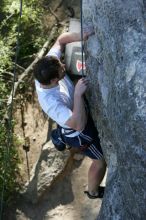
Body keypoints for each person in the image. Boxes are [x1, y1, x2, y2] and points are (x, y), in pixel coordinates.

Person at [33, 31, 106, 199]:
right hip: (78, 133)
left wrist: (83, 34)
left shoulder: (47, 66)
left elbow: (61, 40)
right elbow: (78, 124)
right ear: (52, 81)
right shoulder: (51, 103)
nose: (63, 67)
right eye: (61, 71)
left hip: (72, 115)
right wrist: (78, 94)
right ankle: (93, 192)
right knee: (100, 160)